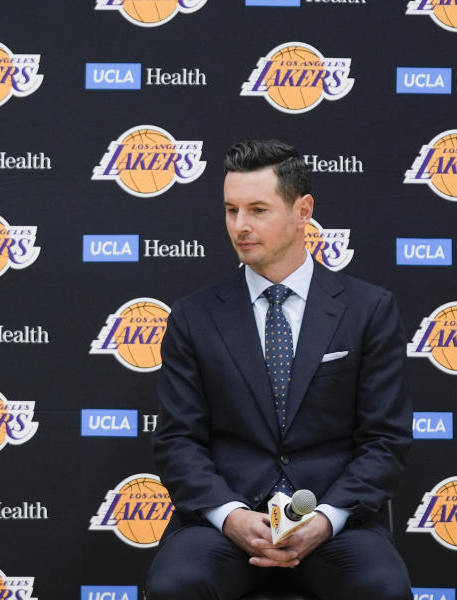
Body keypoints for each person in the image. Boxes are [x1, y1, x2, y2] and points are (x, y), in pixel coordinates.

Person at [145, 139, 412, 599]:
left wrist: (326, 520)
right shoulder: (193, 317)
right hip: (225, 529)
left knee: (382, 588)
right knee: (175, 586)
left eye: (257, 210)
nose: (240, 226)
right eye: (231, 210)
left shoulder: (368, 310)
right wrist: (230, 516)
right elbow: (178, 440)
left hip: (336, 526)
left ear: (302, 210)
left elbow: (385, 440)